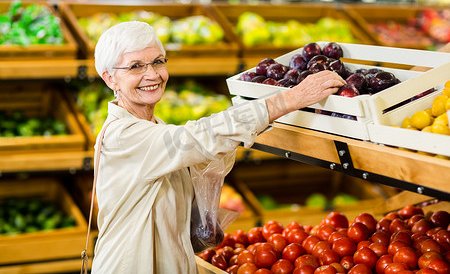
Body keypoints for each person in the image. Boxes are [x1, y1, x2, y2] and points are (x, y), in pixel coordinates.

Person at [91, 21, 345, 273]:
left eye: (158, 61)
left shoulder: (155, 124)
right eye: (135, 66)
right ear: (110, 79)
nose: (153, 74)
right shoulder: (122, 137)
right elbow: (198, 137)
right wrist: (290, 99)